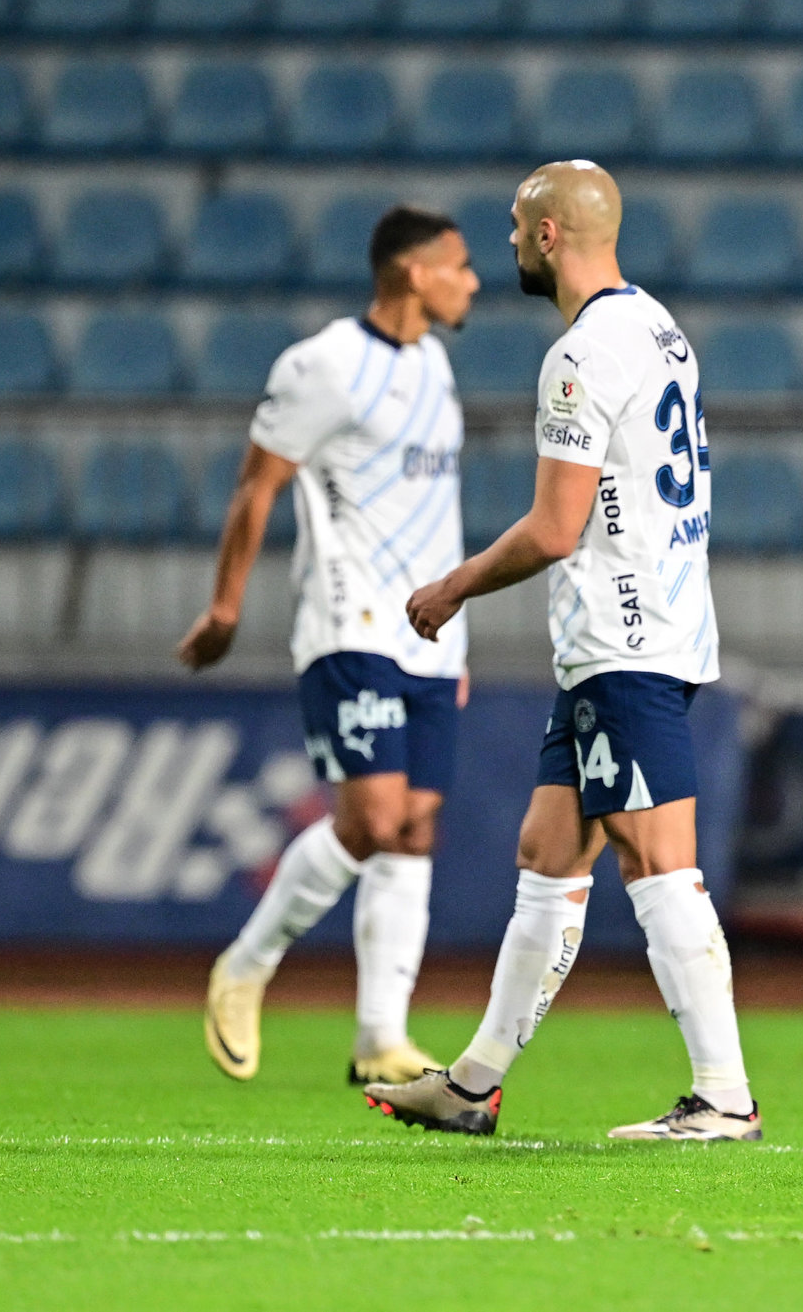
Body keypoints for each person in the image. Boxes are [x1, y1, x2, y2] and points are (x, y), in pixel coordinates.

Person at [364, 160, 756, 1144]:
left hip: (626, 637)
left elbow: (553, 527)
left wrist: (449, 587)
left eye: (511, 225)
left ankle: (723, 1097)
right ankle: (472, 1085)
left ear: (548, 235)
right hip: (638, 630)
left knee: (658, 861)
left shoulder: (582, 354)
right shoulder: (658, 327)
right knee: (549, 850)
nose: (503, 243)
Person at [183, 205, 477, 1086]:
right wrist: (226, 605)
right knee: (371, 817)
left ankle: (380, 1036)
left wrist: (455, 643)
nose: (471, 281)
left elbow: (434, 510)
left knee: (415, 826)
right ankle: (245, 966)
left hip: (430, 635)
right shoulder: (323, 366)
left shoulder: (434, 363)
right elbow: (256, 486)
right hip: (350, 619)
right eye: (457, 266)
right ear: (413, 273)